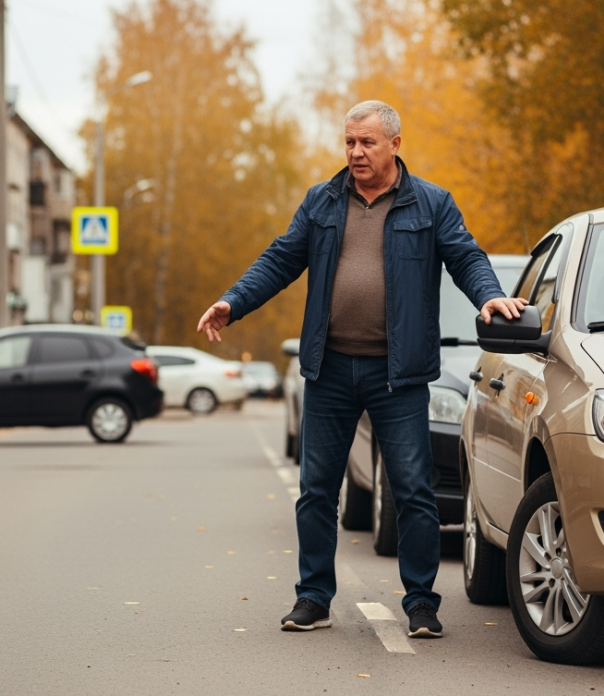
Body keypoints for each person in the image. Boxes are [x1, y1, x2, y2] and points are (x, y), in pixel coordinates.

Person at [196, 101, 528, 638]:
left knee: (414, 490)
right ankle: (313, 598)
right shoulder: (322, 201)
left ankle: (421, 603)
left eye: (366, 143)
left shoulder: (432, 203)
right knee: (316, 491)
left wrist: (488, 296)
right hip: (329, 372)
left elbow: (466, 256)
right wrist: (234, 301)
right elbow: (280, 259)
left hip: (399, 376)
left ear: (395, 144)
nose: (355, 153)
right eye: (349, 143)